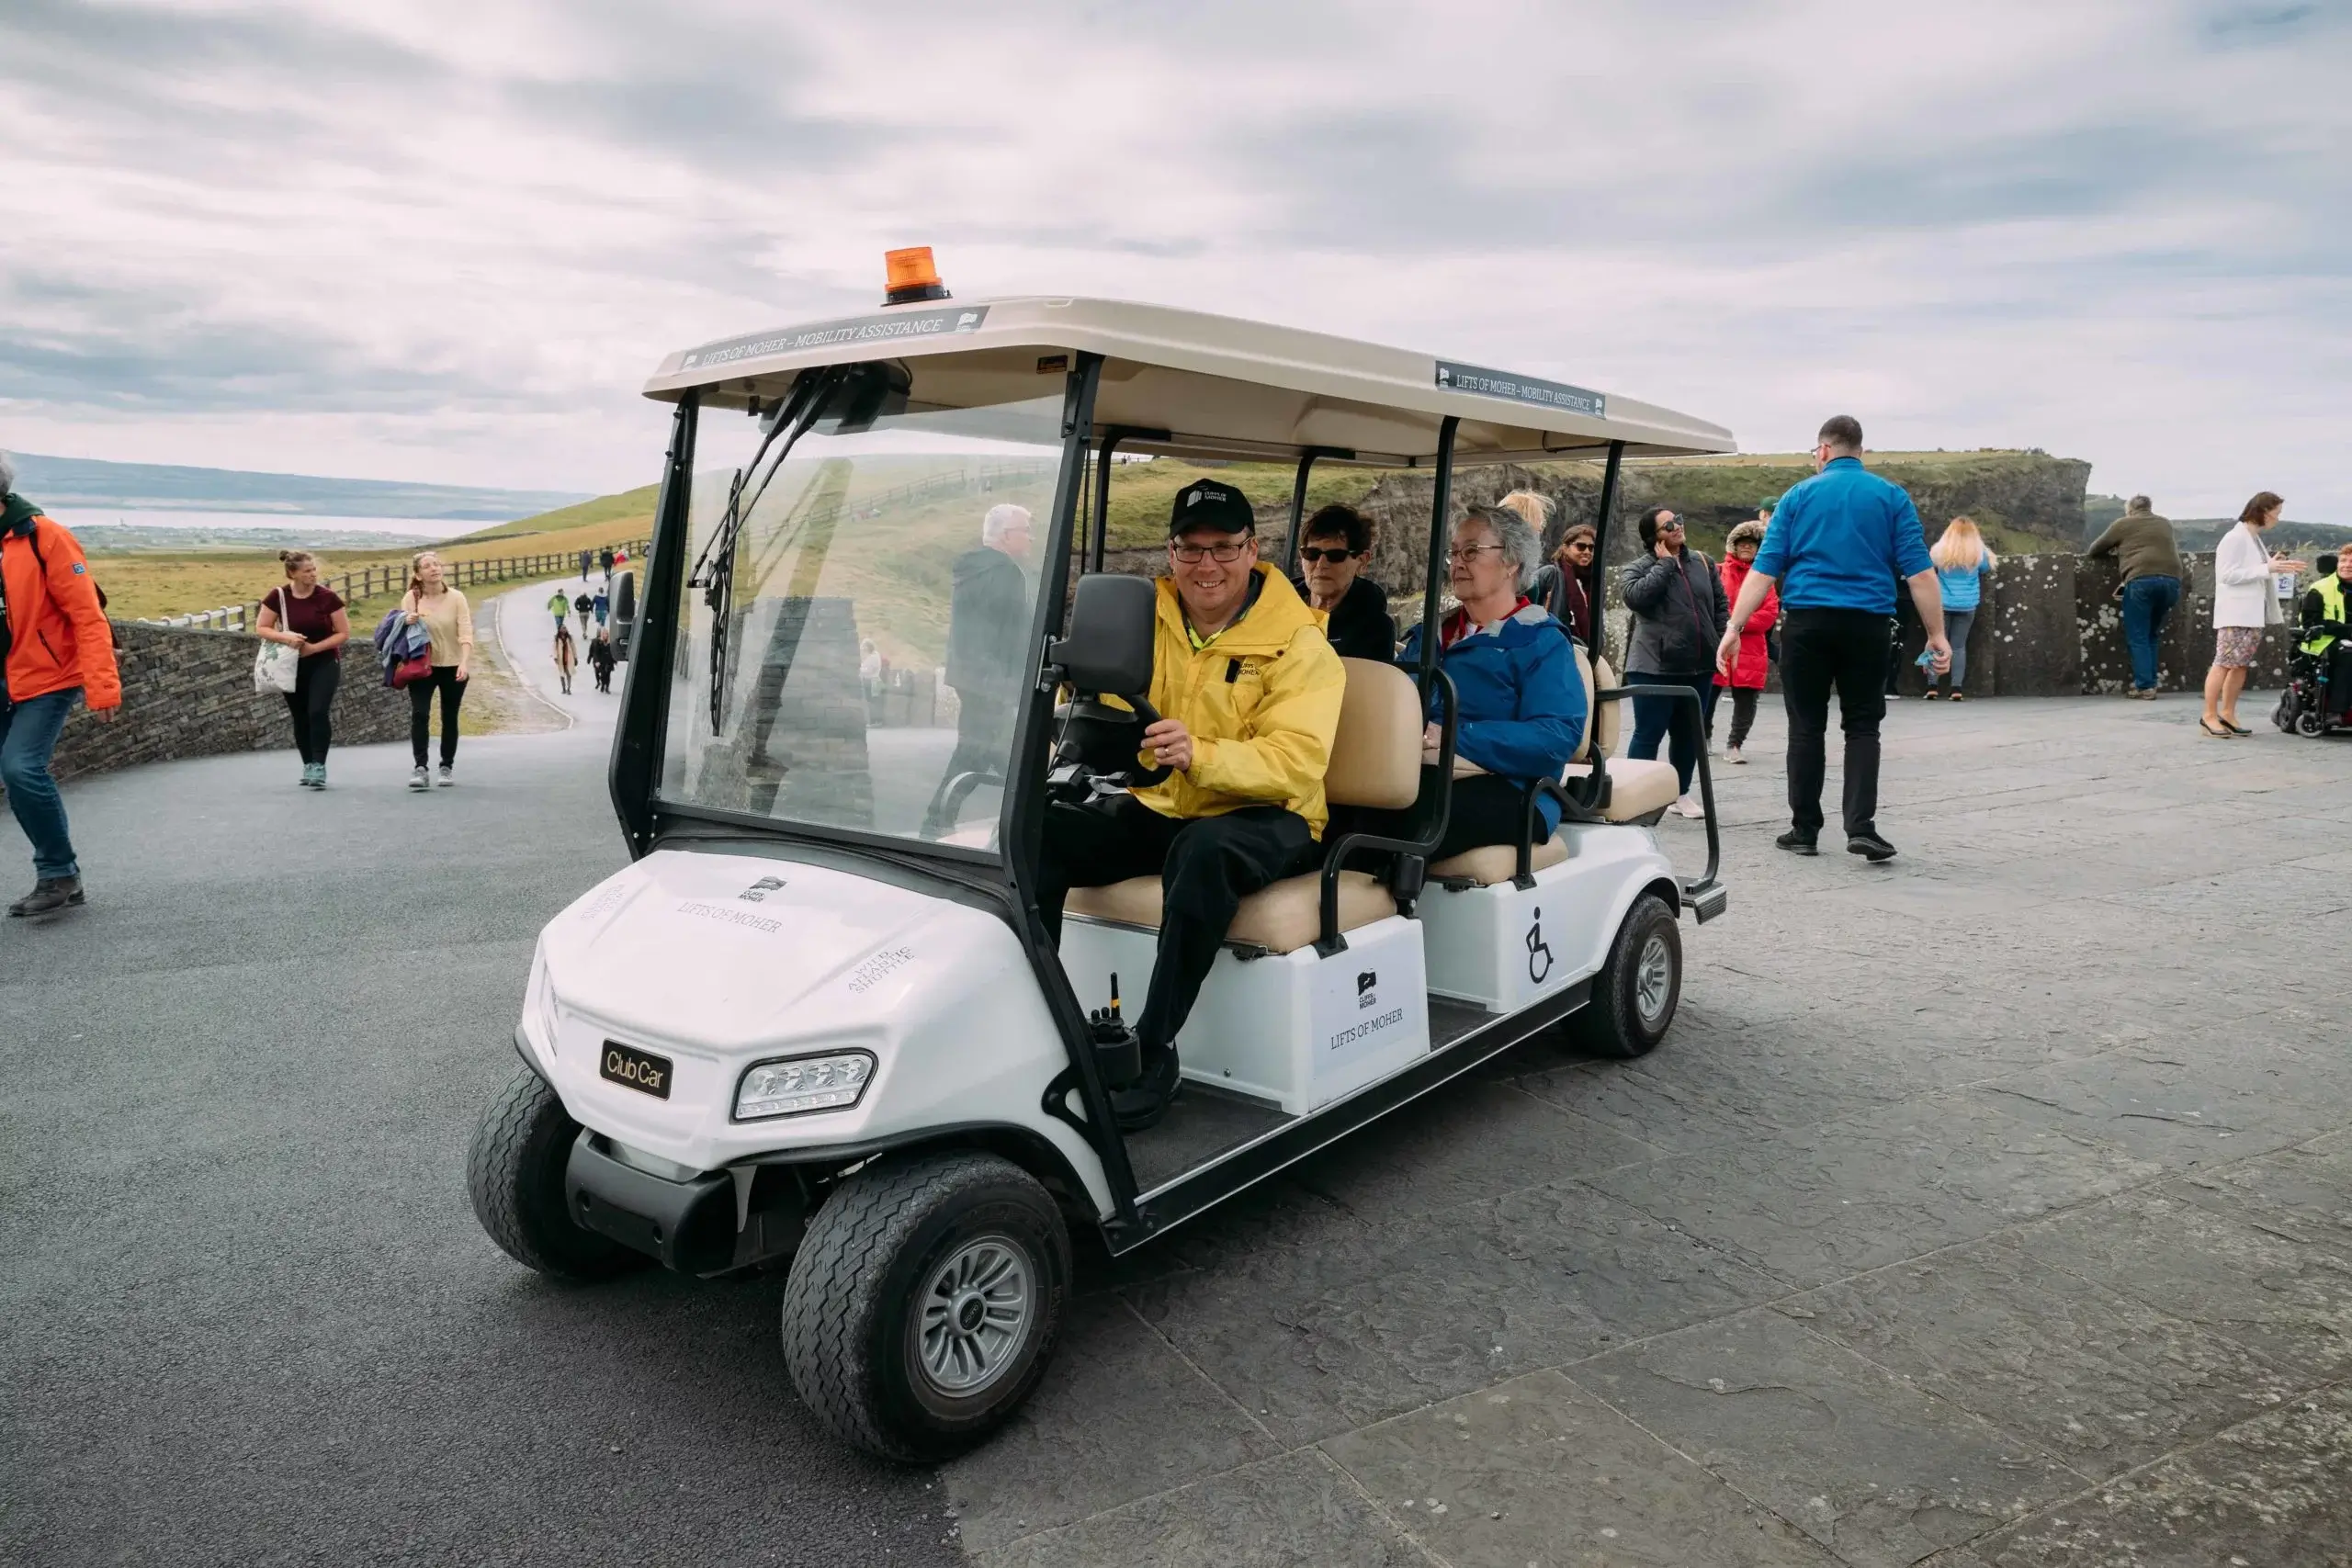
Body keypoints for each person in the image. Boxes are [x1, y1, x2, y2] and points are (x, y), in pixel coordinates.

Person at [1035, 479, 1344, 1130]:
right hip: (1168, 801)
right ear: (1170, 553)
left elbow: (1298, 761)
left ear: (1252, 549)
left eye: (1224, 548)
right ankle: (1036, 1020)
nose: (1207, 565)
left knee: (1203, 852)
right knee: (1038, 827)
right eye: (1190, 549)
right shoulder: (1148, 618)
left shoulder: (1299, 643)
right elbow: (1108, 703)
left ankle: (1152, 1047)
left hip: (1273, 815)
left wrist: (1200, 753)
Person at [1718, 415, 1948, 862]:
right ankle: (1861, 827)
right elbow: (1919, 572)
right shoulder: (1891, 497)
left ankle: (1804, 830)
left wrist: (1733, 628)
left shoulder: (1798, 496)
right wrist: (1938, 635)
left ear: (1823, 450)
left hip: (1808, 622)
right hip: (1868, 624)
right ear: (1859, 450)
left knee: (1806, 726)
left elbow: (1764, 569)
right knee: (1863, 724)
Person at [1396, 503, 1585, 859]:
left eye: (1471, 551)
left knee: (1411, 819)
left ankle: (1390, 908)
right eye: (1454, 553)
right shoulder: (1430, 637)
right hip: (1421, 771)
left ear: (1512, 562)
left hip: (1515, 788)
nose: (1458, 563)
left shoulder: (1540, 640)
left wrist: (1453, 735)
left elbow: (1555, 736)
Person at [0, 454, 119, 916]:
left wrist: (102, 683)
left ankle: (58, 874)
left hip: (47, 676)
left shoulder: (44, 537)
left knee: (21, 769)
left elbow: (87, 616)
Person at [923, 502, 1035, 835]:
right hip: (991, 682)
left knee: (993, 753)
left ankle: (1026, 820)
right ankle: (935, 824)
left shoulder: (973, 570)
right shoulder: (1004, 572)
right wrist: (1012, 684)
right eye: (1025, 531)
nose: (1030, 539)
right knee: (982, 753)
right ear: (1005, 536)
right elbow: (1012, 635)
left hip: (972, 677)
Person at [1621, 506, 1727, 818]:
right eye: (1668, 526)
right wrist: (1665, 565)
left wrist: (1719, 640)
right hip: (1655, 665)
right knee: (1648, 733)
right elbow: (1637, 598)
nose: (1677, 527)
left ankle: (1679, 793)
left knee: (1688, 732)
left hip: (1699, 664)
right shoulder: (1638, 568)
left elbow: (1720, 604)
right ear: (1654, 537)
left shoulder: (1704, 563)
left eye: (1678, 519)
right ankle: (1634, 794)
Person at [2202, 491, 2301, 739]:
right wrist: (2267, 567)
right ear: (2262, 512)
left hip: (2250, 613)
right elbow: (2227, 575)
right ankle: (2209, 715)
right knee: (2223, 664)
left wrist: (2273, 565)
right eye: (2275, 513)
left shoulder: (2253, 539)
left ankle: (2227, 713)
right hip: (2235, 613)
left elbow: (2257, 570)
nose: (2277, 519)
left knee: (2239, 666)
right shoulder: (2234, 538)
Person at [253, 549, 350, 787]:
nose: (313, 575)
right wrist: (286, 638)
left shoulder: (328, 597)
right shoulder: (278, 596)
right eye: (307, 571)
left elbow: (344, 633)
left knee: (317, 711)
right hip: (291, 664)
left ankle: (319, 765)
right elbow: (262, 628)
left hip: (324, 661)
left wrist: (314, 648)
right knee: (300, 715)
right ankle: (307, 763)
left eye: (314, 569)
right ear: (292, 574)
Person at [2086, 495, 2186, 698]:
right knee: (2151, 635)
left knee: (2138, 636)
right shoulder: (2164, 523)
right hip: (2171, 583)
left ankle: (2145, 686)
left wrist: (2120, 552)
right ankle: (2150, 683)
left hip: (2141, 582)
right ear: (2150, 507)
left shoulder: (2123, 523)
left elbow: (2094, 550)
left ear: (2130, 510)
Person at [401, 550, 473, 789]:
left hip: (453, 665)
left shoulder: (456, 597)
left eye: (437, 564)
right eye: (427, 566)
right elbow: (403, 633)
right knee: (420, 714)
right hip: (423, 666)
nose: (434, 569)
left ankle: (446, 766)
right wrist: (406, 621)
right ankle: (420, 767)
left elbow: (465, 631)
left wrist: (464, 662)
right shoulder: (411, 598)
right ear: (418, 574)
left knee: (449, 716)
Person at [1291, 502, 1395, 660]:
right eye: (1311, 553)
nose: (1321, 564)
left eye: (1335, 556)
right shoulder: (1276, 608)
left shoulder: (1374, 629)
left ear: (1362, 561)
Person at [1711, 519, 1777, 762]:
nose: (1747, 548)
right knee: (1708, 694)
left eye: (1752, 544)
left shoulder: (1765, 579)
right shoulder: (1716, 572)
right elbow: (1713, 605)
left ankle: (1735, 744)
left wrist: (1736, 624)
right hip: (1721, 643)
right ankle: (1704, 735)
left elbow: (1769, 613)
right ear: (1733, 546)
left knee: (1747, 700)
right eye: (1742, 544)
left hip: (1751, 648)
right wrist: (1729, 625)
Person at [1925, 518, 1996, 701]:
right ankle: (1956, 689)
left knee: (1936, 642)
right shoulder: (1978, 554)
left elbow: (1929, 568)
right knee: (1958, 646)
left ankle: (1933, 686)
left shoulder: (1938, 551)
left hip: (1942, 604)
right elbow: (1987, 568)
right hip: (1967, 605)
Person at [2298, 549, 2352, 722]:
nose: (2347, 565)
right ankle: (2335, 711)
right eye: (2343, 560)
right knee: (2348, 653)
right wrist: (2345, 629)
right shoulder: (2320, 589)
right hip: (2324, 640)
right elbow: (2310, 623)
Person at [1529, 523, 1597, 644]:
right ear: (1565, 548)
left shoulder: (1590, 584)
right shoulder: (1550, 574)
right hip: (1551, 645)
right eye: (1581, 546)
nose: (1587, 551)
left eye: (1591, 548)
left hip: (1581, 648)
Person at [587, 627, 616, 694]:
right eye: (604, 634)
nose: (605, 635)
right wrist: (596, 661)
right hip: (601, 661)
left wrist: (615, 660)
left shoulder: (611, 642)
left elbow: (613, 652)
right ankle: (603, 684)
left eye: (606, 634)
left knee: (608, 675)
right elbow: (596, 652)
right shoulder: (598, 642)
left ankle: (607, 688)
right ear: (602, 635)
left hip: (609, 661)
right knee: (603, 674)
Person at [552, 623, 577, 695]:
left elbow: (573, 647)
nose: (564, 629)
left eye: (565, 628)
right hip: (561, 658)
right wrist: (555, 657)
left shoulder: (569, 637)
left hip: (569, 657)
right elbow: (554, 648)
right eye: (563, 628)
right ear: (559, 629)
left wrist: (575, 657)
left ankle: (569, 688)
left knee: (569, 673)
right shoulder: (556, 638)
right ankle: (563, 688)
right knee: (562, 674)